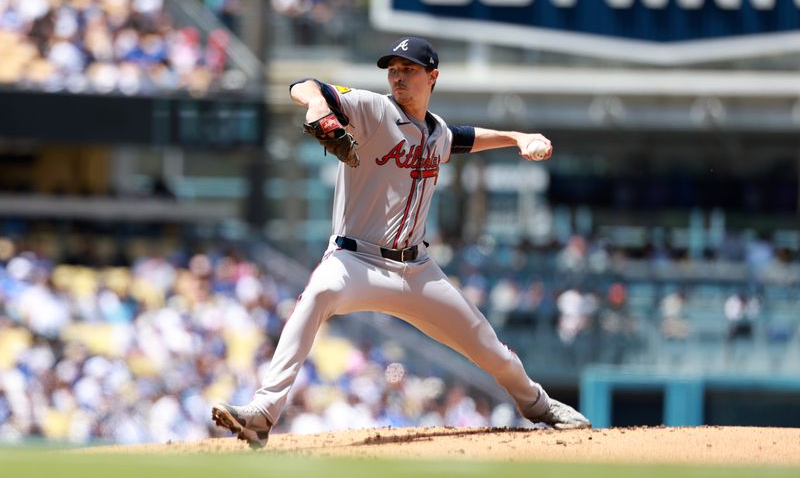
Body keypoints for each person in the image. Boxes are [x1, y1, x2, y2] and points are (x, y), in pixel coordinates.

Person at [212, 36, 591, 448]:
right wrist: (318, 105)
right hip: (353, 260)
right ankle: (264, 412)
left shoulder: (437, 132)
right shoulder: (373, 109)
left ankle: (537, 404)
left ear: (433, 77)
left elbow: (466, 137)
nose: (397, 77)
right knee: (316, 296)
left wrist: (518, 136)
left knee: (487, 345)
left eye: (408, 69)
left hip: (416, 270)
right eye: (393, 70)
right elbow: (305, 85)